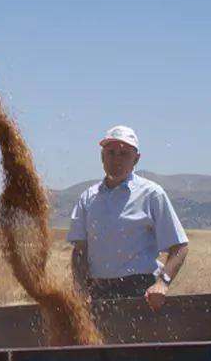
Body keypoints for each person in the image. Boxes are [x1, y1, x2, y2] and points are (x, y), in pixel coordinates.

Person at [67, 125, 189, 311]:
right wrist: (80, 288)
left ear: (136, 159)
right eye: (111, 153)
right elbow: (80, 250)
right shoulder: (87, 199)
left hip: (139, 291)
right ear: (102, 156)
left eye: (124, 154)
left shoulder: (151, 195)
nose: (116, 159)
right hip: (96, 292)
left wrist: (162, 283)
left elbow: (179, 246)